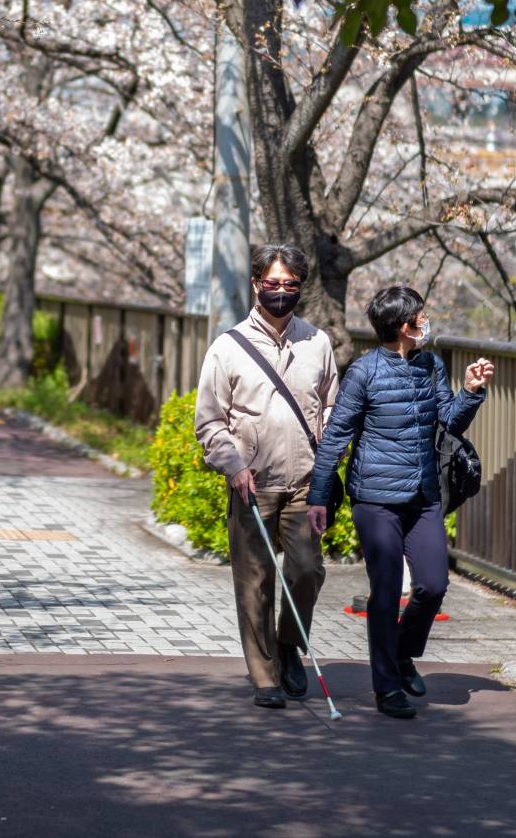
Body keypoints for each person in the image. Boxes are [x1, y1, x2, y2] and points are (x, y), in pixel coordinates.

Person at [307, 285, 492, 719]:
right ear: (403, 326)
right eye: (421, 318)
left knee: (432, 585)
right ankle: (387, 687)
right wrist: (319, 495)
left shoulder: (430, 365)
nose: (426, 323)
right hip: (374, 498)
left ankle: (404, 652)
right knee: (386, 591)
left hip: (423, 495)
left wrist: (471, 392)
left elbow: (450, 422)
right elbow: (336, 436)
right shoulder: (364, 372)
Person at [193, 243, 339, 709]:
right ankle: (264, 676)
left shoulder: (317, 342)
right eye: (272, 284)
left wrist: (327, 465)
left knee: (306, 571)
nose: (280, 292)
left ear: (301, 288)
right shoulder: (227, 347)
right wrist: (233, 466)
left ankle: (288, 644)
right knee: (254, 581)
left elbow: (333, 409)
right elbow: (209, 420)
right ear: (256, 284)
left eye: (289, 285)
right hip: (251, 483)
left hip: (304, 482)